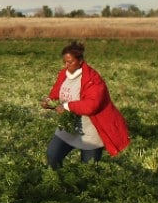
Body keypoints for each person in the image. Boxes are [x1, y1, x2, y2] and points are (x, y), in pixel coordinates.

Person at [39, 40, 130, 169]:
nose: (66, 65)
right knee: (52, 156)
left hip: (90, 132)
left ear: (80, 61)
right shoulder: (64, 74)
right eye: (64, 62)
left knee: (88, 170)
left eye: (70, 62)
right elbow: (56, 92)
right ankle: (59, 179)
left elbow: (91, 105)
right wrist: (49, 101)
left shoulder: (93, 79)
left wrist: (67, 106)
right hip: (68, 127)